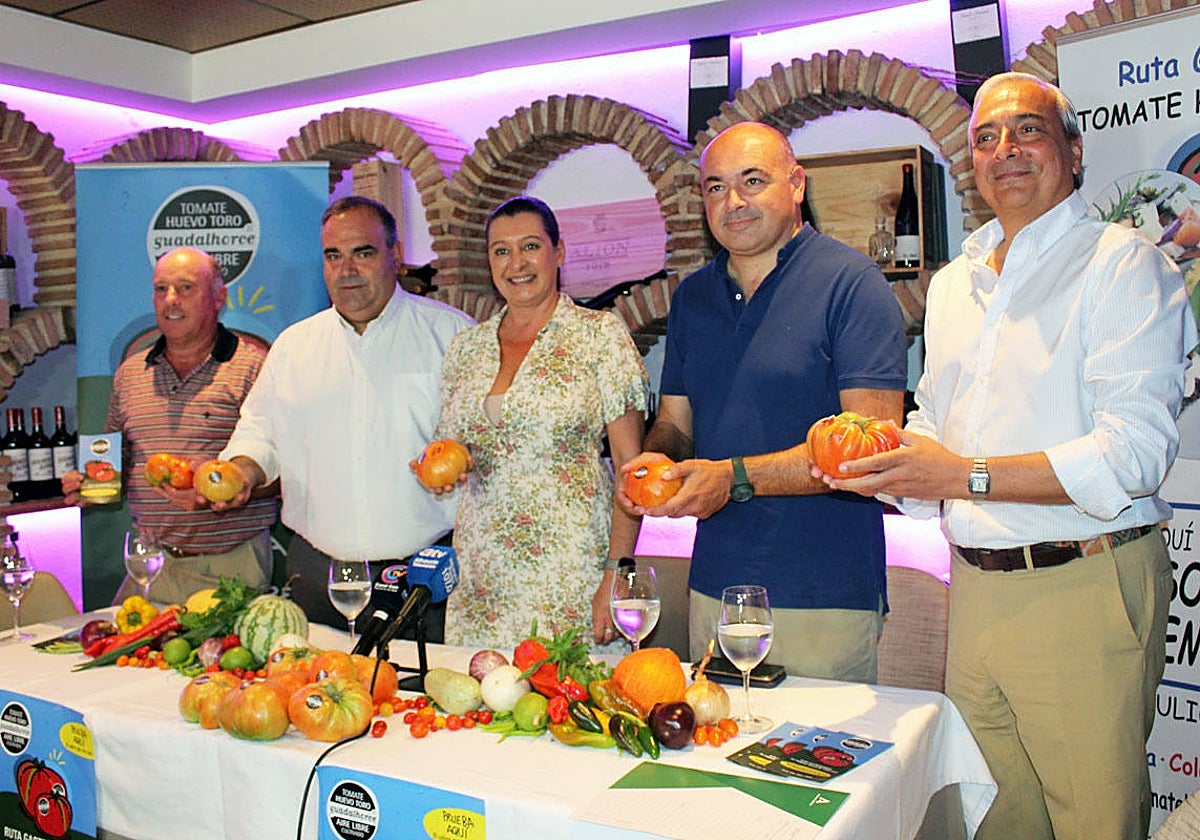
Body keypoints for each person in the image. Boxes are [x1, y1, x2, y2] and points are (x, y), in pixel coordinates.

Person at [821, 73, 1197, 840]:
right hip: (977, 588)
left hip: (1084, 581)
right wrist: (890, 468)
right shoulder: (956, 284)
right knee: (994, 820)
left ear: (1073, 149)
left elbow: (1134, 455)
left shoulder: (1123, 264)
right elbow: (936, 421)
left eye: (1027, 129)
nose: (1005, 150)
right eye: (986, 137)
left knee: (1094, 822)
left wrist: (960, 476)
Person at [618, 122, 908, 681]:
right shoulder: (694, 297)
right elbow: (677, 423)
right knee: (719, 761)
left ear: (797, 184)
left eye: (752, 180)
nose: (734, 201)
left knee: (819, 766)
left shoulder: (852, 284)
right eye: (716, 187)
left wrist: (733, 478)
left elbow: (870, 450)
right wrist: (658, 460)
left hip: (822, 595)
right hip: (713, 591)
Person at [215, 196, 473, 637]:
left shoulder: (453, 337)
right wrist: (241, 471)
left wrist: (466, 461)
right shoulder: (294, 347)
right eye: (333, 256)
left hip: (425, 577)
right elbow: (259, 433)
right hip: (318, 576)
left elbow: (482, 442)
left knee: (422, 702)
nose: (346, 270)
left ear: (395, 257)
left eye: (363, 253)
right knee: (318, 698)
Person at [421, 196, 648, 651]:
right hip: (482, 580)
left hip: (572, 577)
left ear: (558, 253)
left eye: (530, 246)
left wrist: (616, 574)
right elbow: (455, 450)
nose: (516, 264)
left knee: (572, 711)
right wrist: (436, 467)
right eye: (501, 251)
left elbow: (632, 469)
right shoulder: (466, 348)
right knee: (479, 711)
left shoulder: (599, 336)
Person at [62, 247, 278, 604]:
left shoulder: (254, 368)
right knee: (125, 659)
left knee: (228, 662)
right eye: (161, 289)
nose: (170, 300)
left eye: (186, 288)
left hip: (231, 566)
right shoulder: (130, 372)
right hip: (150, 565)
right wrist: (91, 483)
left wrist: (230, 494)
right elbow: (118, 461)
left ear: (218, 297)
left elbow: (286, 473)